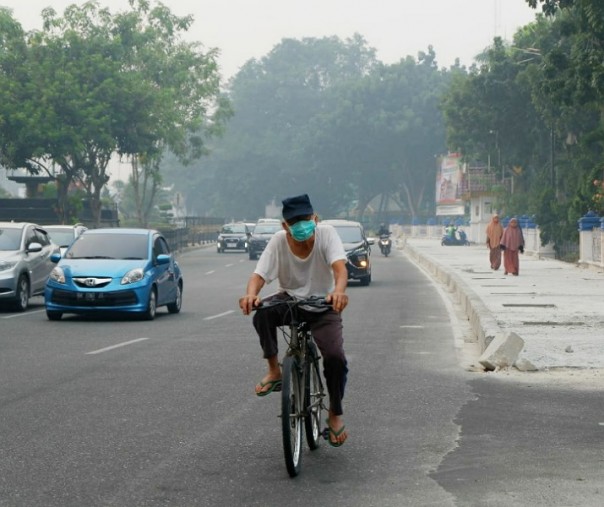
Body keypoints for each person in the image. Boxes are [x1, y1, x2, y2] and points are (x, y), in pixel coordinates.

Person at [239, 194, 350, 447]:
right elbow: (259, 275)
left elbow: (340, 269)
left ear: (315, 219)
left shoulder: (327, 234)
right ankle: (274, 370)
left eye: (304, 219)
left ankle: (335, 414)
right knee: (262, 313)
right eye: (294, 221)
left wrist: (339, 291)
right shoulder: (278, 241)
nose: (300, 225)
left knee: (335, 357)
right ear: (284, 226)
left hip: (325, 304)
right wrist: (251, 295)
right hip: (290, 300)